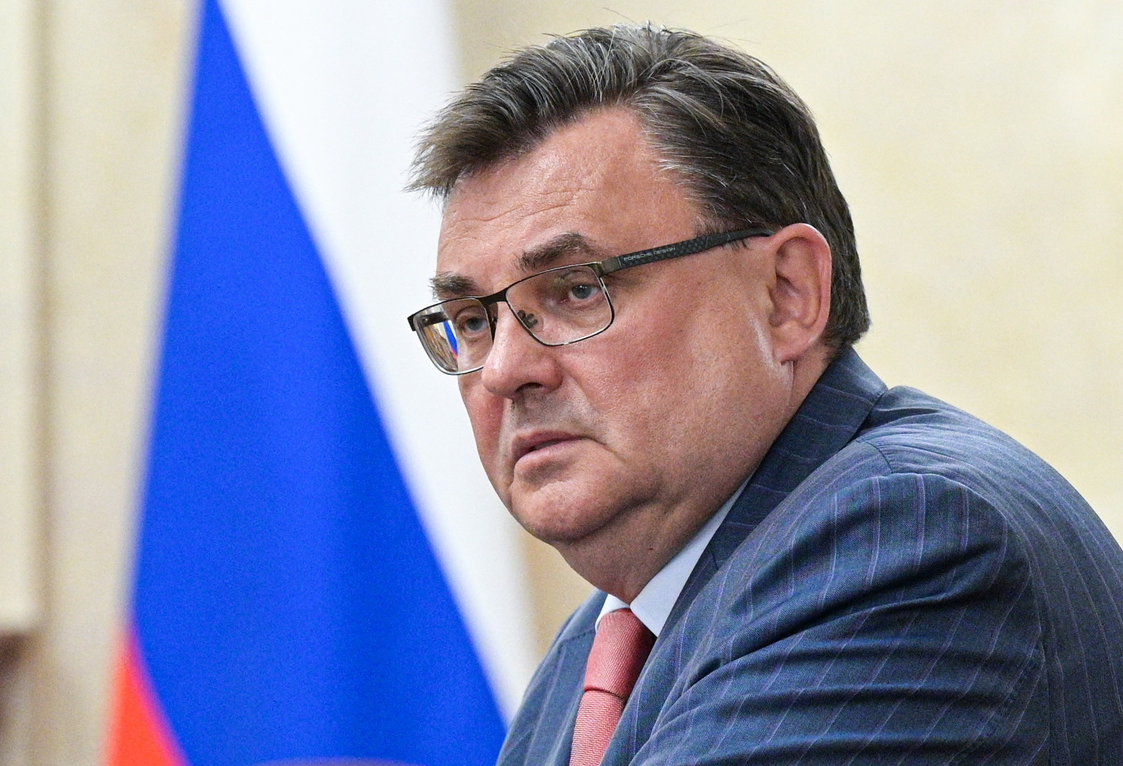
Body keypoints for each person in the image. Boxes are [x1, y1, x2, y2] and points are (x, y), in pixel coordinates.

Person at [405, 24, 1123, 765]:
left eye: (578, 290)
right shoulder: (595, 652)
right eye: (472, 321)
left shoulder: (908, 541)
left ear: (787, 293)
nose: (504, 371)